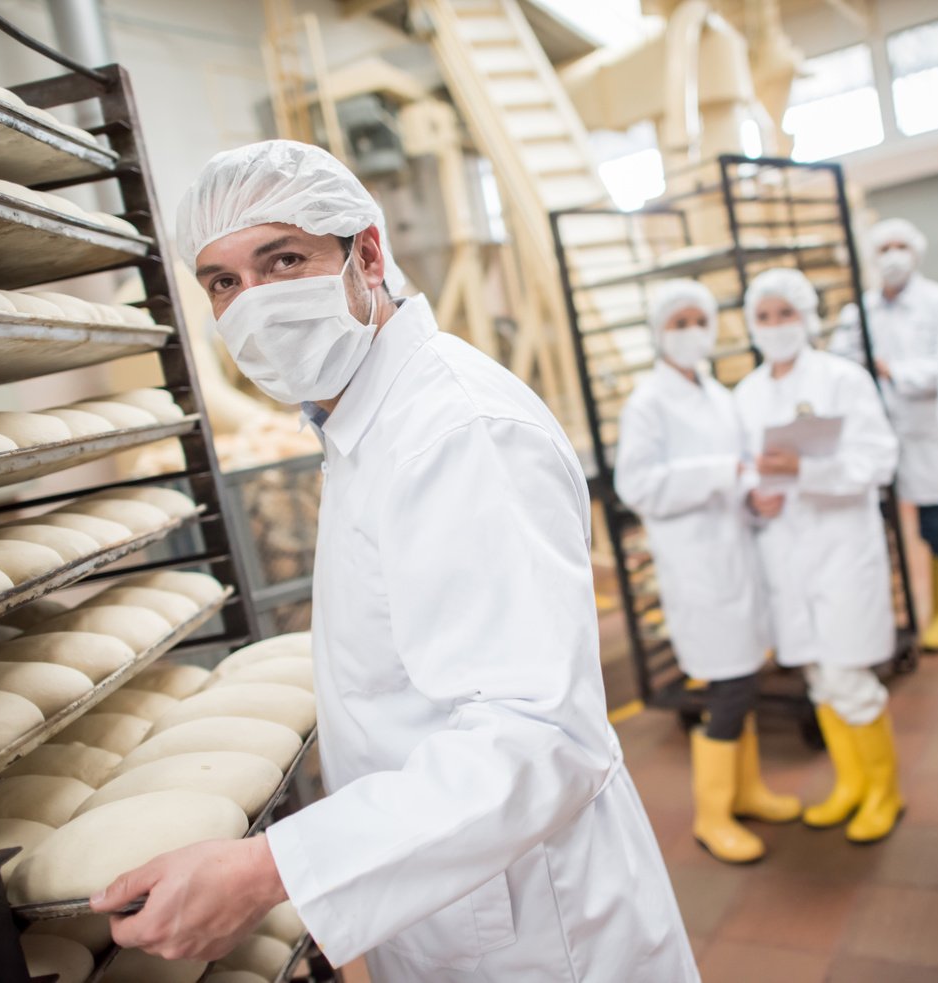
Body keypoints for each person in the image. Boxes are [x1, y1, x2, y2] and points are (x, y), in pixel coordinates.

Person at [90, 141, 698, 981]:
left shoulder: (455, 431)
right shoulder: (364, 419)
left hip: (534, 927)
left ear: (367, 254)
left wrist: (269, 869)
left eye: (283, 260)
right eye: (224, 281)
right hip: (450, 897)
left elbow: (542, 735)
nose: (253, 303)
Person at [615, 278, 802, 865]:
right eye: (680, 322)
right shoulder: (649, 401)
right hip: (696, 565)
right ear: (659, 334)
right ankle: (712, 813)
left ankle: (747, 791)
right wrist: (725, 470)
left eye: (701, 320)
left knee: (745, 676)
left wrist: (753, 496)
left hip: (735, 554)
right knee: (729, 686)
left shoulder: (719, 397)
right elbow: (638, 485)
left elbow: (737, 474)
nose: (693, 332)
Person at [732, 268, 906, 844]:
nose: (777, 326)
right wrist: (755, 496)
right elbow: (743, 475)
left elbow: (878, 461)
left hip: (840, 549)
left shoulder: (843, 379)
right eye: (765, 316)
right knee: (819, 678)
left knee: (849, 675)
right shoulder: (746, 395)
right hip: (784, 554)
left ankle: (884, 791)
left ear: (807, 316)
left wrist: (804, 471)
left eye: (786, 313)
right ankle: (850, 784)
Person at [833, 218, 938, 652]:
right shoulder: (858, 311)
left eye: (900, 247)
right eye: (884, 248)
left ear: (915, 251)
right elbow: (841, 364)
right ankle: (887, 615)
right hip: (874, 433)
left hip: (926, 431)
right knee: (877, 530)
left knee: (937, 526)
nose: (893, 256)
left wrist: (894, 371)